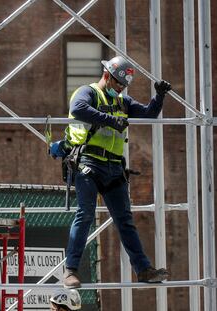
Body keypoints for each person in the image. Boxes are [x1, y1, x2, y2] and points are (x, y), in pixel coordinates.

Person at [50, 56, 172, 288]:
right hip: (89, 163)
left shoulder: (122, 102)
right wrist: (109, 120)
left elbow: (148, 114)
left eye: (123, 85)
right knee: (85, 214)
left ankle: (143, 269)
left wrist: (159, 96)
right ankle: (71, 271)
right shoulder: (87, 93)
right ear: (107, 76)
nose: (121, 88)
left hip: (114, 168)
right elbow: (78, 109)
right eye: (118, 83)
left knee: (125, 220)